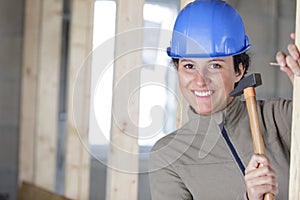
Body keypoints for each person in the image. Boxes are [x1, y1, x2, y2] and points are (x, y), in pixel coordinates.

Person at [149, 0, 300, 199]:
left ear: (239, 70)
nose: (200, 81)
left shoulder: (279, 118)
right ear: (177, 68)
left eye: (215, 66)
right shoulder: (168, 156)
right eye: (189, 66)